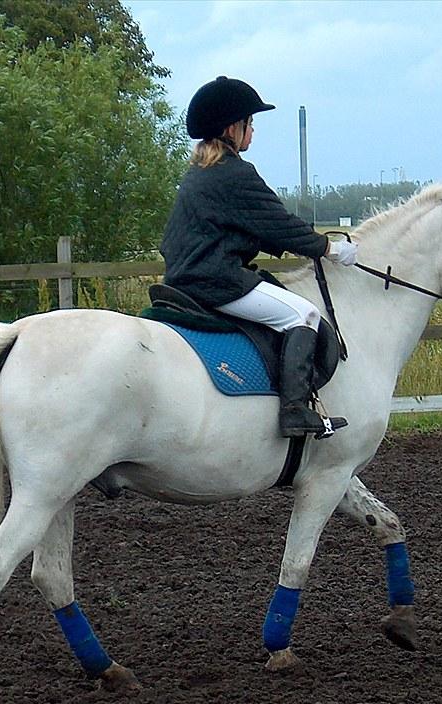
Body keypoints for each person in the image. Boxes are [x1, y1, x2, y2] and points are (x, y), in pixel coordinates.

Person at [160, 76, 358, 438]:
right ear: (232, 128)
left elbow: (247, 226)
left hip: (184, 278)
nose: (253, 131)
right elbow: (278, 224)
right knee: (305, 314)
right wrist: (330, 248)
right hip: (217, 281)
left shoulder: (200, 174)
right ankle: (295, 410)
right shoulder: (234, 173)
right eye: (250, 123)